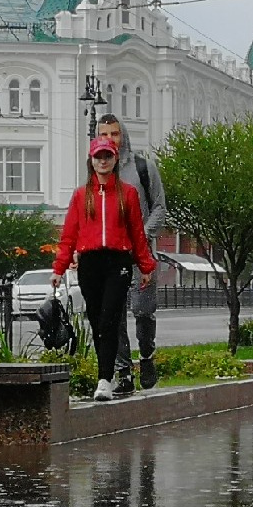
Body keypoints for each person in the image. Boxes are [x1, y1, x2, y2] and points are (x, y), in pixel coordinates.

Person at [53, 137, 157, 401]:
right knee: (98, 321)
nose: (103, 161)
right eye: (98, 157)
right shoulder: (80, 195)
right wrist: (59, 268)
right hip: (90, 264)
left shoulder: (127, 194)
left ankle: (104, 379)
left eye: (107, 157)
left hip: (118, 263)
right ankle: (106, 374)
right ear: (91, 161)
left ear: (115, 160)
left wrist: (146, 266)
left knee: (110, 319)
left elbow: (137, 233)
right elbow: (68, 235)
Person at [97, 115, 167, 394]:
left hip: (141, 256)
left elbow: (160, 207)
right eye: (104, 134)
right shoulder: (96, 171)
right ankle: (123, 372)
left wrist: (142, 235)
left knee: (143, 311)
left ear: (123, 136)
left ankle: (147, 356)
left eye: (114, 134)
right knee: (113, 314)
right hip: (110, 256)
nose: (110, 139)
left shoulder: (142, 168)